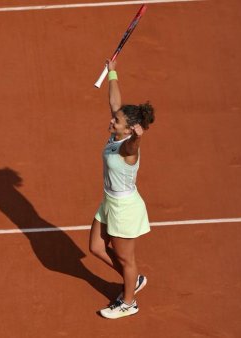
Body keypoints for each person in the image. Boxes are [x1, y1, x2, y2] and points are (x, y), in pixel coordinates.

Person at [89, 60, 155, 319]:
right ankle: (134, 280)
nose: (111, 120)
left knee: (125, 258)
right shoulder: (118, 132)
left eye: (116, 121)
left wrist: (139, 136)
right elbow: (115, 102)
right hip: (109, 202)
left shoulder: (128, 148)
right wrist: (112, 71)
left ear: (128, 129)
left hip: (125, 209)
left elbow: (133, 147)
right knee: (96, 247)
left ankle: (128, 302)